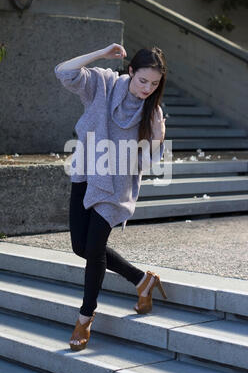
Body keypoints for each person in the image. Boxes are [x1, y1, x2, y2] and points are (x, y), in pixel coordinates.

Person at [54, 43, 168, 352]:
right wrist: (102, 53)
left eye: (154, 84)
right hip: (87, 173)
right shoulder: (103, 84)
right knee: (82, 247)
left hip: (116, 187)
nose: (147, 88)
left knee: (93, 249)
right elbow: (64, 71)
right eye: (143, 80)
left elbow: (145, 164)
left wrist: (158, 139)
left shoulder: (153, 114)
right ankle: (142, 280)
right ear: (130, 71)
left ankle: (84, 316)